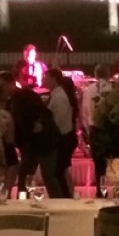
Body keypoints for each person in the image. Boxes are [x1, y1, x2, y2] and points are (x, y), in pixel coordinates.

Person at [9, 75, 62, 196]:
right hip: (42, 142)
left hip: (37, 143)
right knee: (47, 176)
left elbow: (23, 126)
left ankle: (23, 201)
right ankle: (58, 201)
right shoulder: (27, 99)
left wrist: (20, 142)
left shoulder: (19, 100)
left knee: (29, 176)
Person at [46, 67, 79, 197]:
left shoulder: (58, 97)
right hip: (63, 137)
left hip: (61, 138)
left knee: (58, 171)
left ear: (54, 79)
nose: (44, 81)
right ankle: (67, 195)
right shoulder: (57, 95)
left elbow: (59, 121)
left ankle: (64, 197)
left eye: (46, 78)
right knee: (61, 170)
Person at [81, 63, 114, 188]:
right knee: (116, 160)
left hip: (94, 128)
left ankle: (100, 189)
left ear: (95, 75)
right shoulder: (112, 88)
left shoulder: (88, 90)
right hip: (110, 128)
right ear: (108, 74)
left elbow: (84, 112)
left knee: (98, 162)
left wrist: (87, 130)